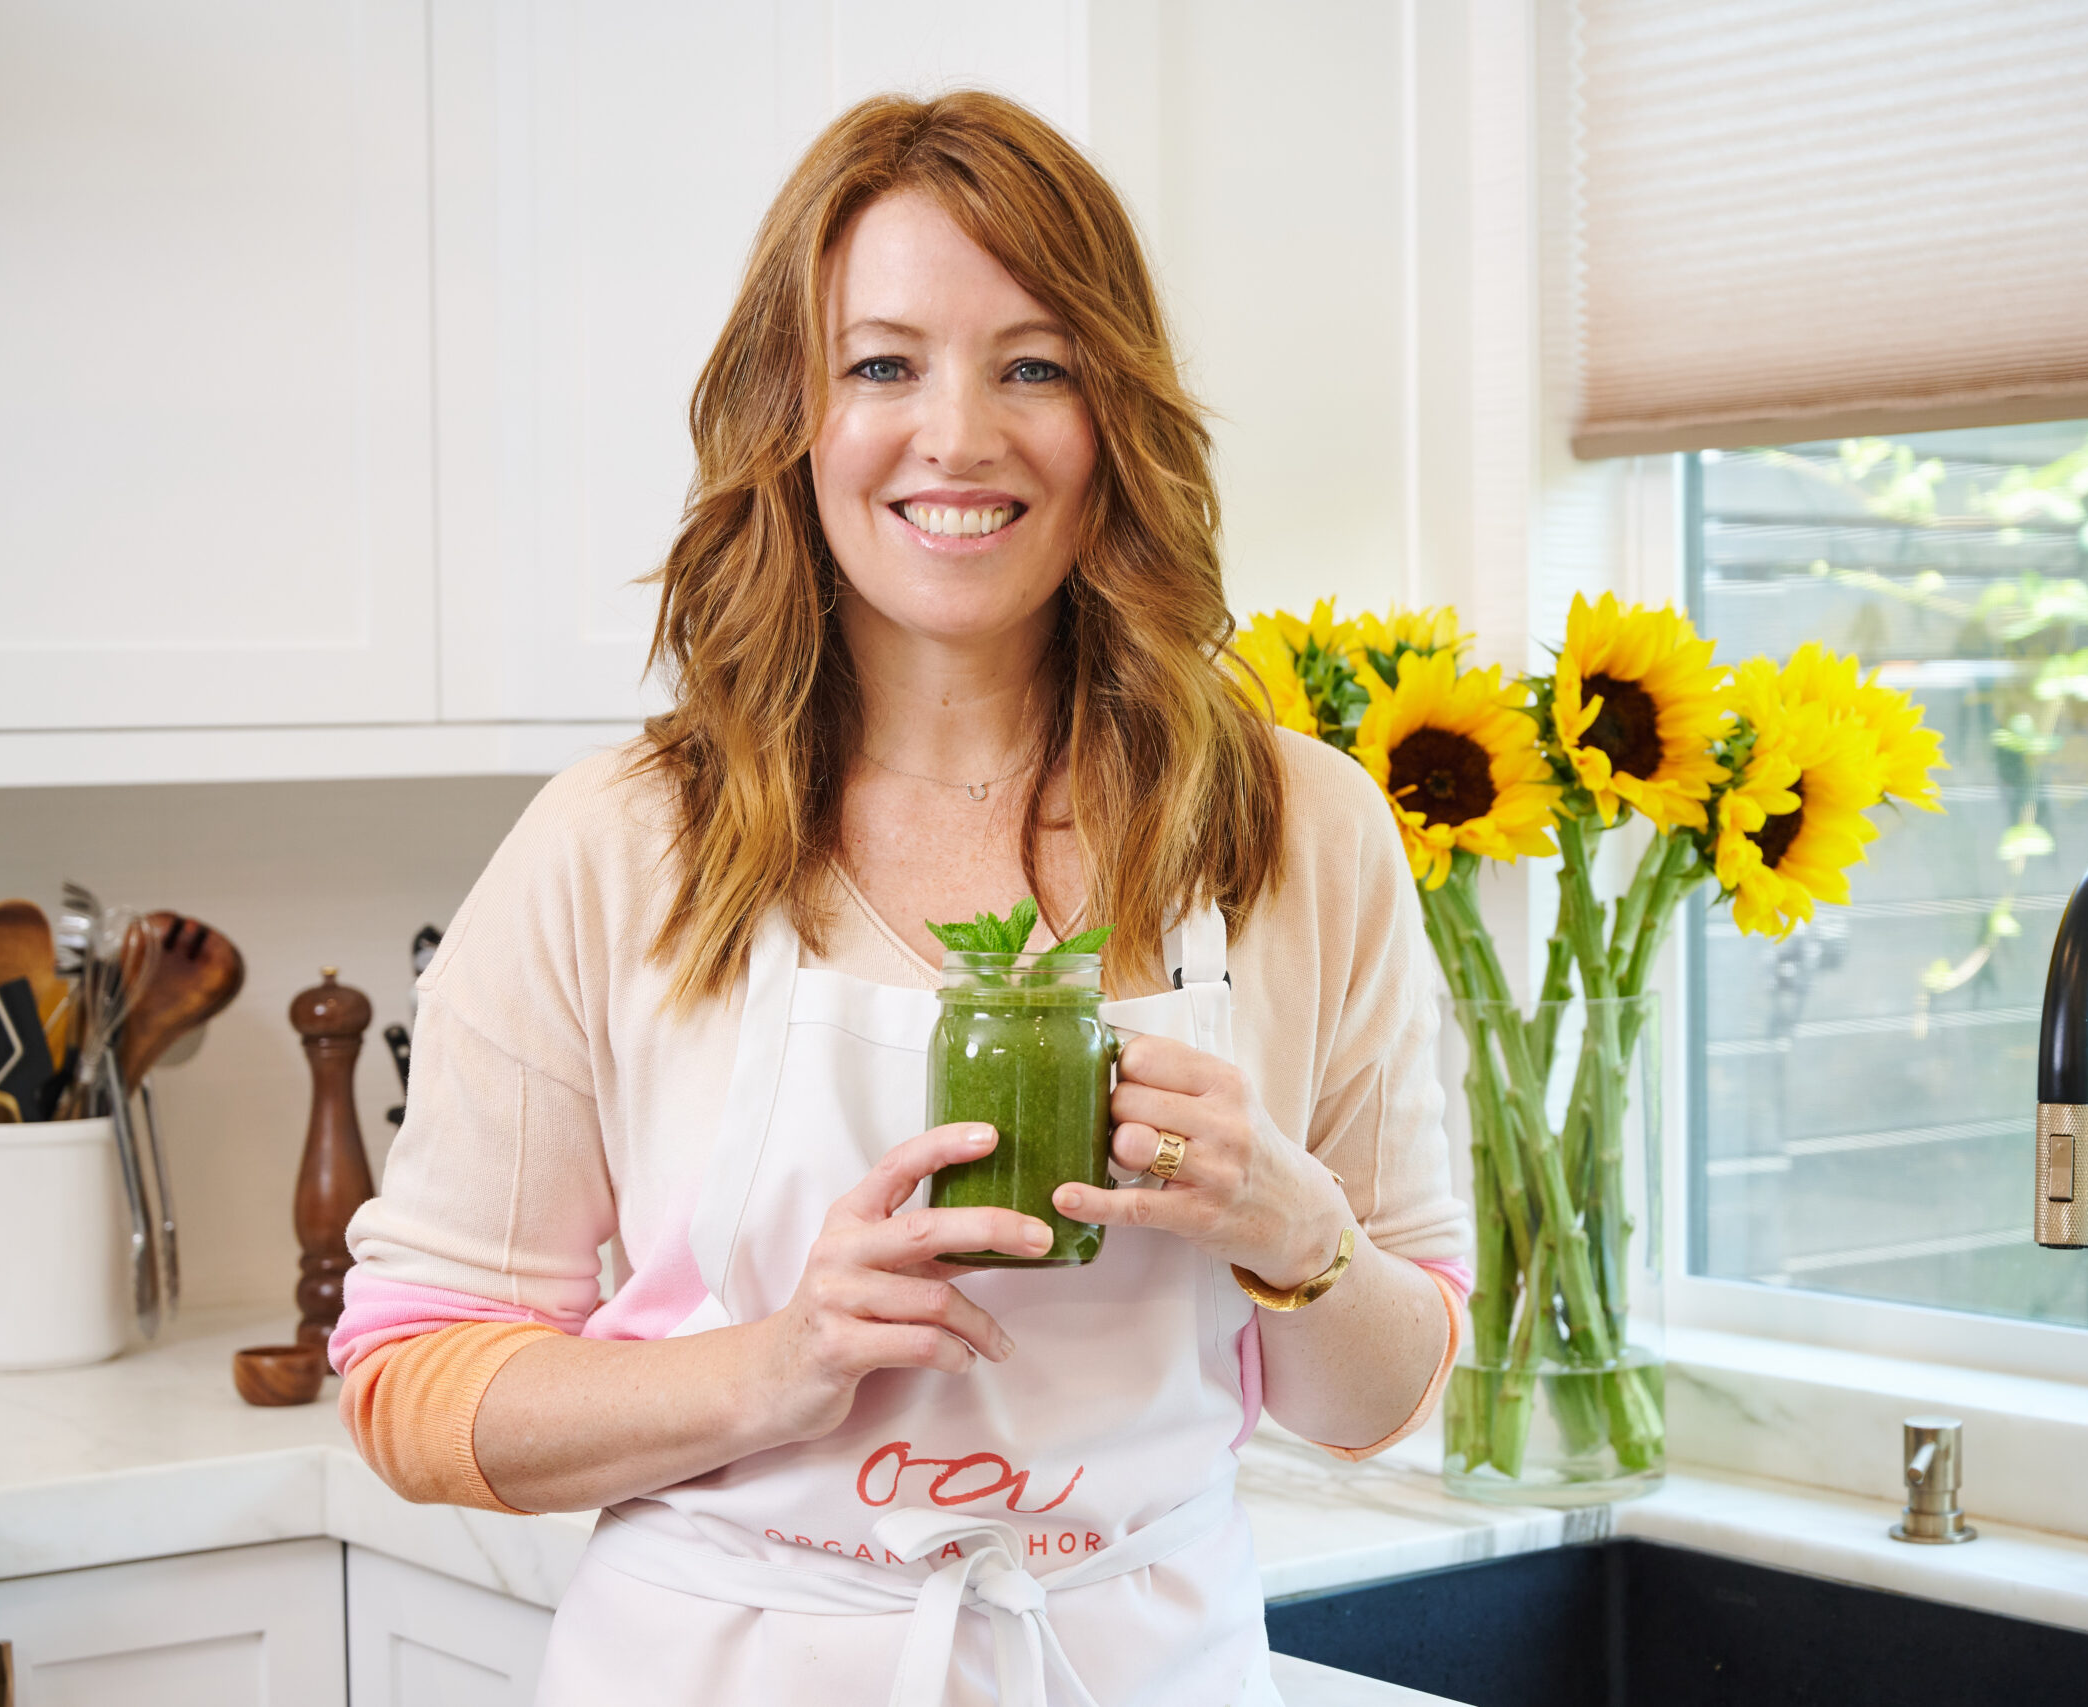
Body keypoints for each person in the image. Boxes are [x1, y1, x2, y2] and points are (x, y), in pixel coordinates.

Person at [329, 89, 1469, 1707]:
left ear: (1114, 416)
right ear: (791, 416)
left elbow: (1385, 1396)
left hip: (1141, 1665)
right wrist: (775, 1367)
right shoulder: (618, 846)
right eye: (883, 364)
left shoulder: (1299, 833)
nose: (958, 436)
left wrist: (1300, 1238)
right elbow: (411, 1391)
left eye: (1035, 364)